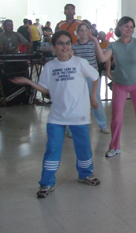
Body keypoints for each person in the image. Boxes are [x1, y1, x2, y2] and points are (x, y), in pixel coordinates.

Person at [10, 31, 101, 198]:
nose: (64, 46)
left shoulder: (80, 63)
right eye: (60, 43)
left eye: (67, 43)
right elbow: (46, 90)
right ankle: (46, 182)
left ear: (71, 45)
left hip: (79, 114)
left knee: (83, 147)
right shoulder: (50, 66)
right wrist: (29, 82)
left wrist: (93, 95)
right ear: (54, 47)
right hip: (56, 117)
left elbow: (95, 77)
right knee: (52, 149)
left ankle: (85, 174)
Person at [93, 16, 136, 157]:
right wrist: (95, 41)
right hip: (120, 85)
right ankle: (115, 146)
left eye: (131, 27)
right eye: (126, 26)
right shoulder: (113, 46)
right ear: (119, 28)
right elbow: (103, 58)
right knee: (117, 117)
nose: (129, 29)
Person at [71, 22, 109, 134]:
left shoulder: (93, 44)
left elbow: (102, 57)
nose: (83, 32)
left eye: (85, 30)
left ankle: (102, 124)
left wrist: (95, 40)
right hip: (79, 76)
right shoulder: (74, 46)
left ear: (89, 32)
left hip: (92, 76)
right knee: (77, 101)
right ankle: (73, 126)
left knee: (95, 98)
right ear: (77, 33)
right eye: (81, 30)